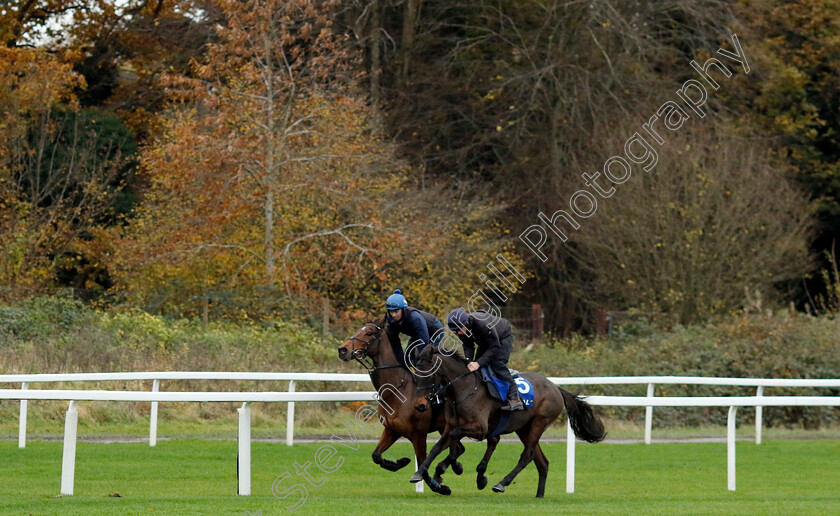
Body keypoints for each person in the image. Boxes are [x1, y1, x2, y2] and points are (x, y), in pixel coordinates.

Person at [447, 308, 524, 411]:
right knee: (474, 366)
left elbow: (494, 347)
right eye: (455, 331)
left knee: (497, 364)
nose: (458, 333)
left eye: (459, 329)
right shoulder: (461, 328)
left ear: (466, 323)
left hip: (502, 337)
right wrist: (469, 361)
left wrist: (478, 363)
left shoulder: (481, 325)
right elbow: (468, 346)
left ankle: (515, 398)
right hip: (485, 340)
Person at [384, 289, 445, 368]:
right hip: (417, 333)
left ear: (403, 309)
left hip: (435, 331)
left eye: (396, 311)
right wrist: (401, 359)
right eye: (391, 312)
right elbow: (394, 341)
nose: (394, 315)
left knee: (426, 358)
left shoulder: (415, 318)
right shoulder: (391, 319)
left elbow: (424, 341)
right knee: (407, 358)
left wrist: (419, 360)